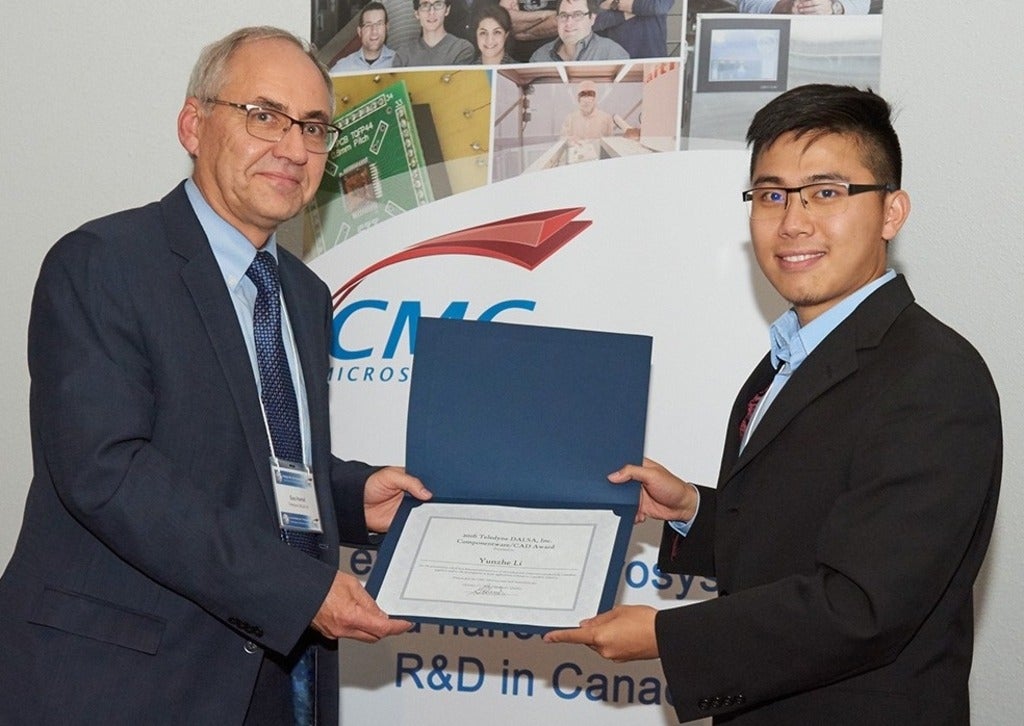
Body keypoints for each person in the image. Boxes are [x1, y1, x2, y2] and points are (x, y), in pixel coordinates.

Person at [0, 26, 433, 725]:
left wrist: (352, 498)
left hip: (268, 681)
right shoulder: (102, 263)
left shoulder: (302, 292)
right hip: (117, 683)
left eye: (314, 127)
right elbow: (109, 474)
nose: (293, 147)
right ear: (193, 124)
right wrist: (297, 590)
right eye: (264, 115)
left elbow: (252, 457)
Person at [545, 84, 1001, 724]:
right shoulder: (787, 358)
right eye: (771, 194)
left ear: (892, 212)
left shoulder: (934, 377)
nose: (793, 221)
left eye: (827, 192)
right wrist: (693, 510)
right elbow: (796, 540)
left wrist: (667, 637)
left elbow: (863, 606)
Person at [530, 0, 629, 61]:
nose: (569, 23)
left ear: (592, 19)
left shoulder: (612, 54)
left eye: (578, 15)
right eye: (563, 16)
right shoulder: (540, 57)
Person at [394, 0, 477, 66]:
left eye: (438, 4)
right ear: (417, 13)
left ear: (447, 10)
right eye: (425, 5)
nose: (432, 12)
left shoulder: (462, 49)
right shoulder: (403, 55)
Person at [593, 0, 673, 58]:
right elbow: (591, 20)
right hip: (611, 58)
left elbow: (659, 5)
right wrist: (637, 10)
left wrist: (613, 4)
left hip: (652, 56)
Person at [330, 2, 396, 72]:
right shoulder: (342, 68)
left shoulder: (400, 63)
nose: (374, 31)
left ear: (387, 28)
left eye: (379, 24)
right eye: (368, 25)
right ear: (359, 31)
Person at [561, 79, 615, 162]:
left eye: (590, 94)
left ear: (595, 97)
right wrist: (569, 141)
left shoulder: (606, 118)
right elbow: (562, 140)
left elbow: (610, 143)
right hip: (577, 162)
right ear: (578, 98)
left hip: (599, 162)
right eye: (583, 94)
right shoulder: (570, 118)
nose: (586, 97)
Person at [737, 0, 870, 13]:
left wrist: (833, 8)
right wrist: (784, 7)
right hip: (776, 41)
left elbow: (862, 4)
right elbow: (746, 4)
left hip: (836, 42)